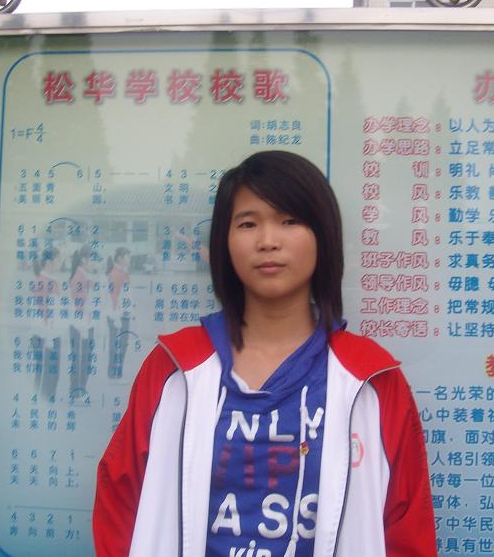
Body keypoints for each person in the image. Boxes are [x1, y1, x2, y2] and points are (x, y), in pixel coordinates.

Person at [93, 151, 436, 557]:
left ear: (323, 235)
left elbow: (406, 529)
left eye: (289, 221)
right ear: (225, 242)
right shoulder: (174, 368)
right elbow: (120, 503)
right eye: (248, 223)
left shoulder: (371, 379)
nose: (268, 240)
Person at [31, 246, 64, 400]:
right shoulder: (44, 282)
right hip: (46, 334)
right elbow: (44, 311)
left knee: (50, 372)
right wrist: (49, 337)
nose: (61, 262)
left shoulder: (50, 280)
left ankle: (46, 399)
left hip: (50, 333)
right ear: (49, 262)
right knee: (47, 372)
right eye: (58, 259)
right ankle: (44, 400)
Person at [68, 244, 96, 399]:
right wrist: (84, 327)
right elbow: (79, 304)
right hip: (81, 325)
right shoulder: (79, 277)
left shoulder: (84, 276)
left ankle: (79, 391)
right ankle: (77, 391)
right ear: (84, 260)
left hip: (85, 324)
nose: (94, 262)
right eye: (92, 259)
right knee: (81, 359)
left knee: (84, 359)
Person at [106, 246, 133, 379]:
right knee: (117, 344)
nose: (130, 259)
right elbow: (113, 295)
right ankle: (114, 373)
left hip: (124, 314)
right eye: (127, 256)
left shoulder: (123, 272)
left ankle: (117, 372)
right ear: (120, 258)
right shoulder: (116, 273)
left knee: (122, 344)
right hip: (117, 315)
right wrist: (116, 316)